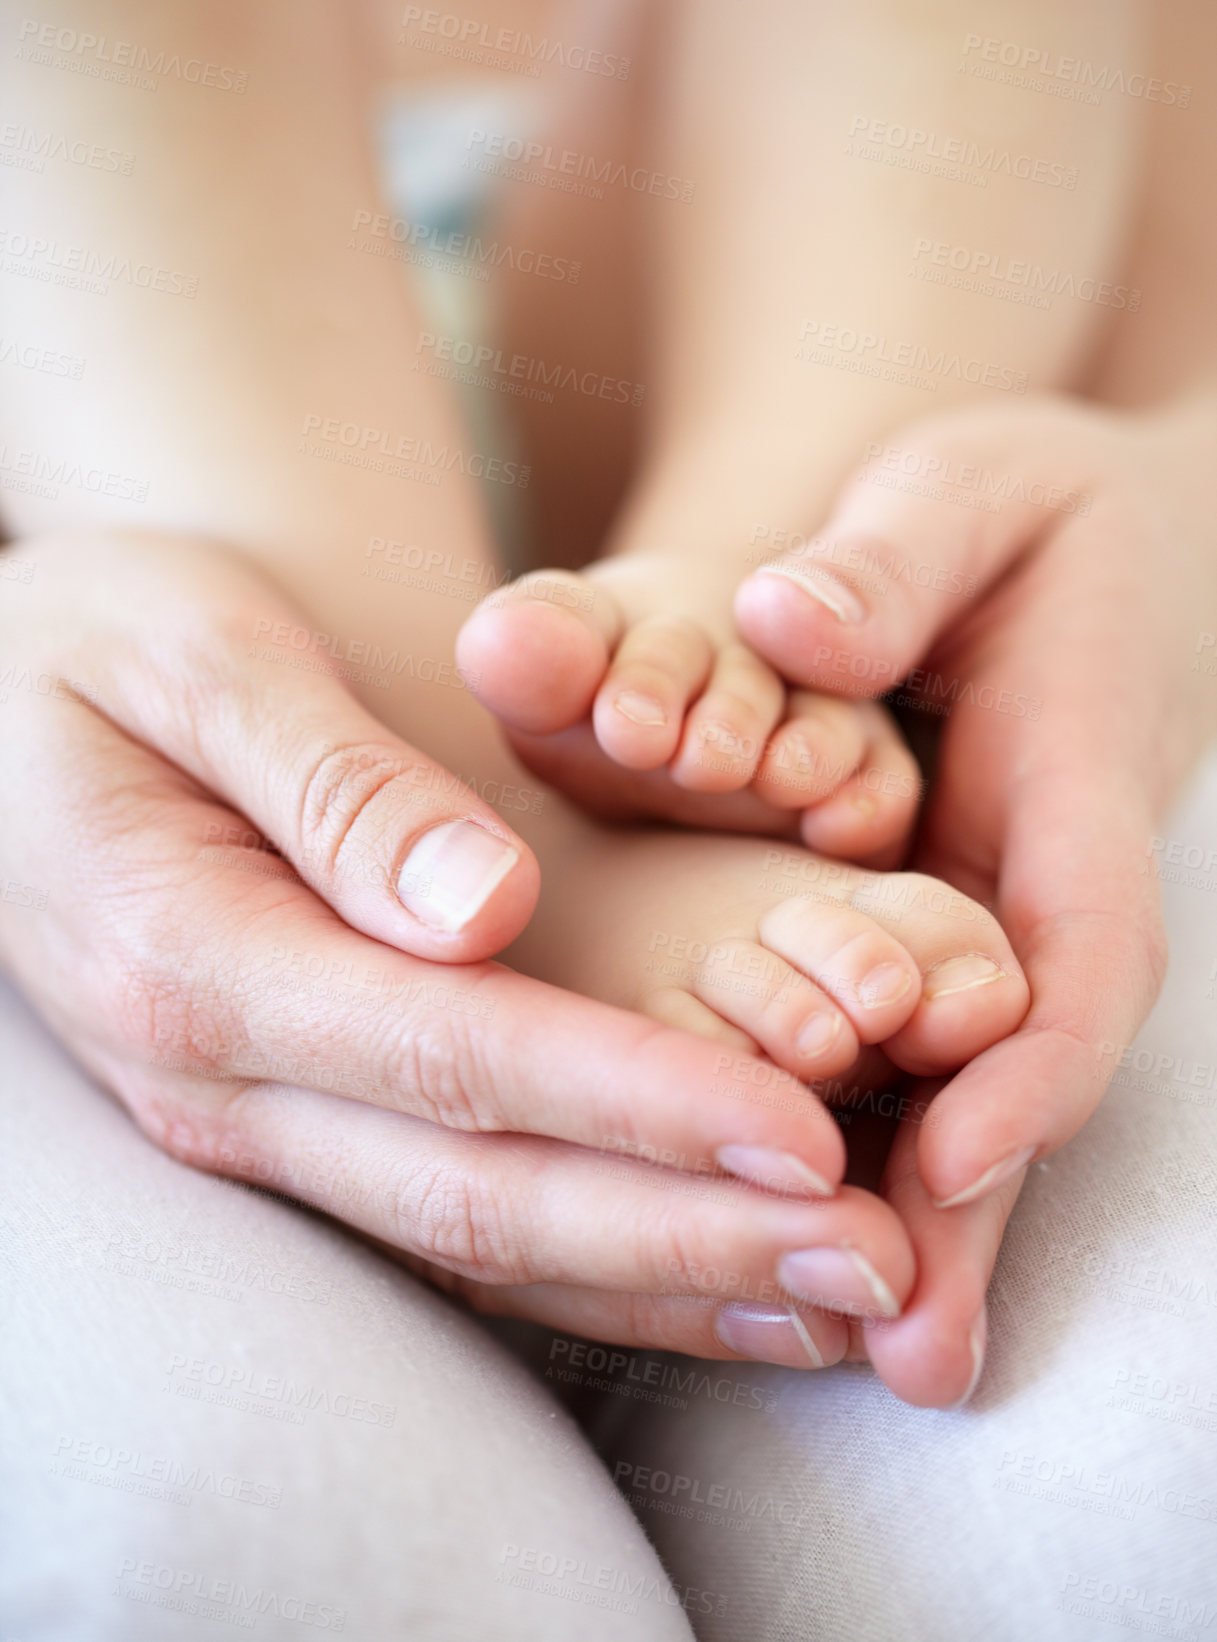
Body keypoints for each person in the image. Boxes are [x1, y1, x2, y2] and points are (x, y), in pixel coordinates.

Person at [2, 1, 1215, 1636]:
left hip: (643, 309)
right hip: (191, 474)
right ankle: (454, 766)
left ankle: (757, 588)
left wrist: (1173, 485)